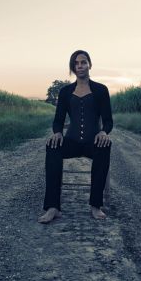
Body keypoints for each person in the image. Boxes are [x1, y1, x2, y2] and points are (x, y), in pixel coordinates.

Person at [39, 50, 113, 223]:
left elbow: (108, 121)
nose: (80, 66)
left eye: (83, 62)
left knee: (105, 146)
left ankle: (95, 205)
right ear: (73, 67)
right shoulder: (65, 92)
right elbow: (58, 121)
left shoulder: (101, 90)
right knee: (52, 146)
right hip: (71, 142)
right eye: (76, 63)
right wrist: (57, 133)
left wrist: (103, 132)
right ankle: (52, 207)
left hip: (92, 143)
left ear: (89, 65)